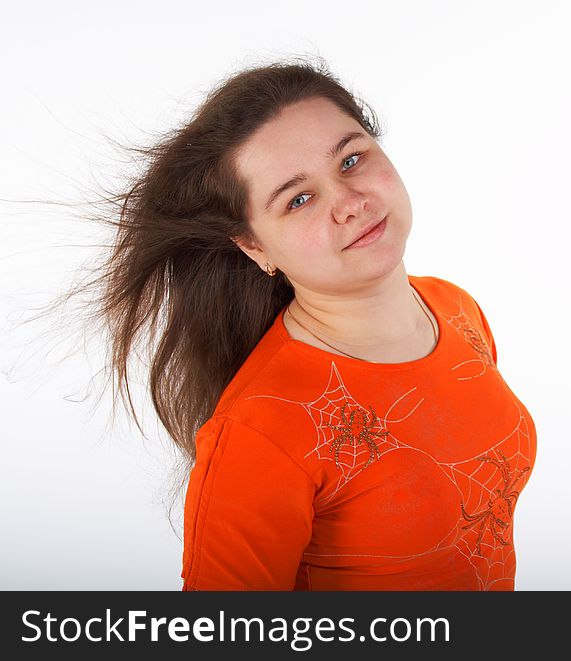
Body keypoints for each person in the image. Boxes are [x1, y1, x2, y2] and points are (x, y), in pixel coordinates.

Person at [84, 58, 537, 590]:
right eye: (299, 199)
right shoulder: (259, 431)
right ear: (254, 245)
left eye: (350, 160)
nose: (349, 203)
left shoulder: (456, 309)